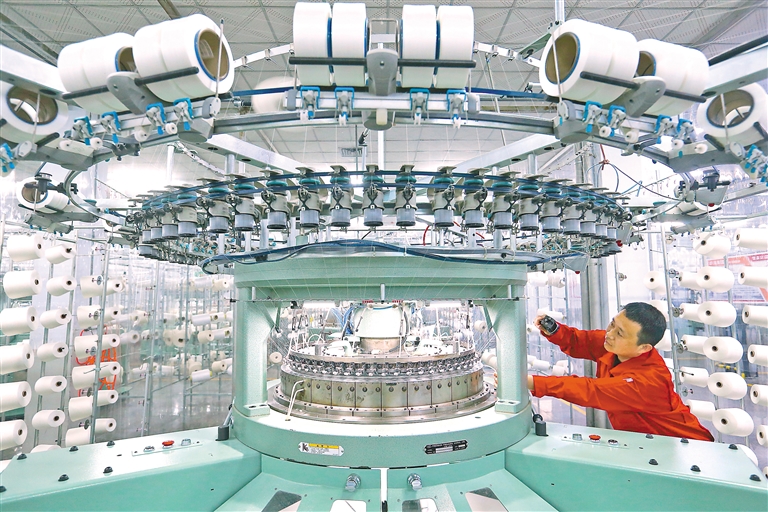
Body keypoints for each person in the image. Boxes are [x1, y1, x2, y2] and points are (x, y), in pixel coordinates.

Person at [530, 302, 714, 441]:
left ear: (644, 347)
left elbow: (591, 390)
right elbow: (579, 340)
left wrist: (531, 382)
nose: (609, 334)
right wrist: (554, 329)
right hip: (645, 442)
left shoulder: (649, 381)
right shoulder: (614, 344)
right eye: (612, 324)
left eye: (620, 333)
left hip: (684, 446)